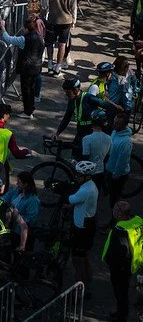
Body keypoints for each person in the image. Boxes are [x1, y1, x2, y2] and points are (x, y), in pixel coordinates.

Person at [52, 78, 120, 154]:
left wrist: (106, 123)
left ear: (75, 90)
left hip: (91, 131)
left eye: (68, 92)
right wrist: (57, 133)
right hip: (80, 130)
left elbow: (108, 107)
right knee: (76, 151)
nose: (66, 94)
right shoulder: (72, 101)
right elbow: (67, 117)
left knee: (86, 154)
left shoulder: (88, 97)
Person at [101, 201, 143, 322]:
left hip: (121, 268)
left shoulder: (120, 230)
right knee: (124, 290)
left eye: (115, 209)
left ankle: (122, 315)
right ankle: (121, 311)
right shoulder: (138, 220)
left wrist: (111, 262)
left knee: (120, 291)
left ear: (121, 214)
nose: (113, 211)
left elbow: (121, 252)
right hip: (137, 261)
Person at [65, 160, 99, 300]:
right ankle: (88, 286)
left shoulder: (85, 190)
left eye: (79, 175)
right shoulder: (92, 186)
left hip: (81, 229)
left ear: (86, 176)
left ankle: (79, 292)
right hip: (89, 225)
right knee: (85, 259)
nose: (76, 177)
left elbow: (72, 199)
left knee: (77, 261)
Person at [0, 17, 44, 118]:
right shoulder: (40, 37)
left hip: (27, 68)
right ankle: (30, 109)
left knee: (26, 90)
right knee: (31, 89)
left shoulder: (24, 39)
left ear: (25, 27)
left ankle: (27, 112)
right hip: (36, 67)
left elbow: (9, 39)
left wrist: (3, 27)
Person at [41, 0, 78, 76]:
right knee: (62, 44)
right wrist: (74, 21)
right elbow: (73, 8)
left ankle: (49, 64)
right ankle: (58, 67)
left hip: (52, 20)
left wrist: (43, 16)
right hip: (66, 21)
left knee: (49, 43)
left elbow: (44, 5)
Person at [2, 171, 40, 251]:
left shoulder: (33, 200)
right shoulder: (17, 191)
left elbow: (31, 219)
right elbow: (6, 197)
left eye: (19, 182)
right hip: (10, 228)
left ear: (25, 184)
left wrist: (14, 216)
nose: (16, 184)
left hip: (19, 232)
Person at [79, 110, 112, 192]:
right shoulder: (109, 138)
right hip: (100, 172)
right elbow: (107, 158)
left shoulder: (87, 139)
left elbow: (85, 158)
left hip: (89, 173)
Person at [107, 113, 134, 209]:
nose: (114, 124)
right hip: (110, 169)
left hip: (118, 175)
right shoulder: (115, 131)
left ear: (124, 125)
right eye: (114, 122)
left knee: (114, 200)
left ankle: (115, 219)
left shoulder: (126, 142)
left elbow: (122, 163)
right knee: (112, 196)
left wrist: (115, 175)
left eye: (117, 123)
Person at [26, 0, 47, 103]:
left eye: (28, 7)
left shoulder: (37, 22)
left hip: (37, 50)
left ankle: (36, 94)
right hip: (36, 50)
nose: (26, 9)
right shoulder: (36, 20)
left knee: (37, 74)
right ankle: (32, 92)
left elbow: (38, 36)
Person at [108, 56, 137, 120]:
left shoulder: (130, 72)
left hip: (126, 100)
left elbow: (134, 80)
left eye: (127, 66)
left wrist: (135, 89)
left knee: (125, 117)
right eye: (124, 67)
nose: (126, 68)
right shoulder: (111, 74)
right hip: (114, 100)